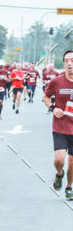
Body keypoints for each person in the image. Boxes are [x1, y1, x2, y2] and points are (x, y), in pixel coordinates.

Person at [43, 49, 73, 200]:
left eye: (72, 60)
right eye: (67, 61)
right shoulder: (56, 81)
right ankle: (59, 174)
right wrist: (53, 108)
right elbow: (46, 97)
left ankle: (69, 187)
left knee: (72, 161)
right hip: (60, 127)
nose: (70, 63)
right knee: (59, 160)